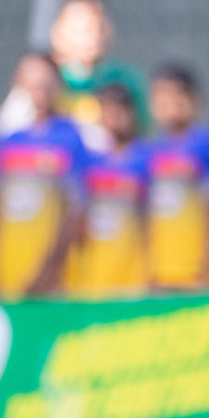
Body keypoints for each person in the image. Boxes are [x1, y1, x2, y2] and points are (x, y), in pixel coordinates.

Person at [0, 53, 89, 298]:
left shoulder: (71, 137)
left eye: (46, 84)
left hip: (55, 280)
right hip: (7, 277)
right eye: (33, 84)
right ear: (17, 85)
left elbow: (76, 211)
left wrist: (51, 267)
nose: (40, 92)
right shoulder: (6, 141)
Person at [0, 0, 149, 151]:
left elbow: (142, 135)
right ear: (57, 32)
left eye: (98, 27)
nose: (91, 36)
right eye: (80, 30)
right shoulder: (43, 80)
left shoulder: (124, 80)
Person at [146, 65, 209, 290]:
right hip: (158, 271)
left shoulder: (206, 145)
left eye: (178, 93)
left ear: (194, 99)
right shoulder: (150, 150)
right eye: (162, 95)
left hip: (196, 268)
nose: (170, 102)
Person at [70, 84, 149, 298]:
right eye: (106, 109)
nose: (113, 116)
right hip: (92, 276)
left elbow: (152, 220)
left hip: (134, 276)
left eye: (119, 109)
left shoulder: (147, 158)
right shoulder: (90, 162)